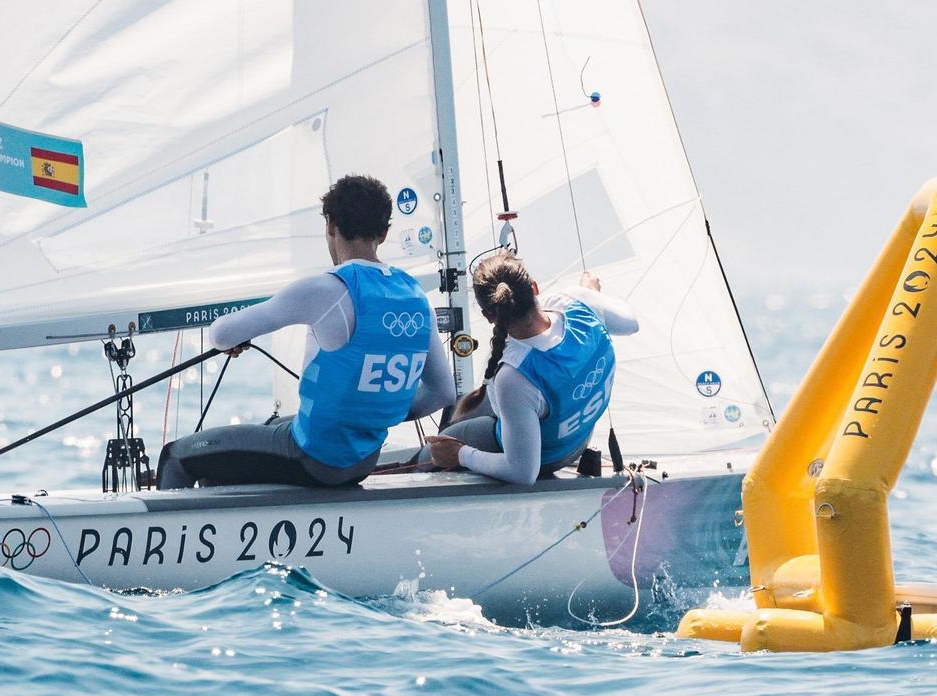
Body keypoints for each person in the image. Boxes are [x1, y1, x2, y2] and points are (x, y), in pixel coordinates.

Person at [156, 175, 456, 490]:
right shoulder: (416, 296)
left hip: (313, 459)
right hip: (363, 462)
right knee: (270, 427)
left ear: (330, 226)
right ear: (383, 232)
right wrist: (374, 413)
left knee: (176, 456)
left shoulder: (326, 289)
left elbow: (221, 334)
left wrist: (236, 338)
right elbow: (443, 392)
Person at [423, 253, 638, 483]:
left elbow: (523, 472)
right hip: (579, 439)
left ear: (488, 315)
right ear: (534, 287)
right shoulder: (580, 303)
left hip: (549, 457)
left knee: (438, 446)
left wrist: (460, 455)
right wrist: (591, 294)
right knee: (482, 402)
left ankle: (414, 469)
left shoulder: (513, 377)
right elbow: (631, 323)